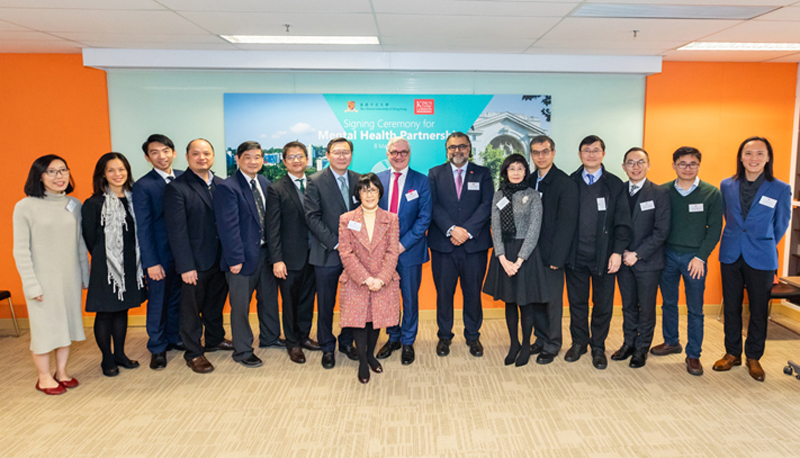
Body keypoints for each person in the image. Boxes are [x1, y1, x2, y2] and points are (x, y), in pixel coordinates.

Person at [714, 137, 791, 382]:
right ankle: (732, 353)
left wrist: (764, 241)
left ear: (768, 158)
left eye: (760, 153)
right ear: (741, 157)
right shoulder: (727, 184)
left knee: (758, 309)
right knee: (732, 307)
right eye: (748, 153)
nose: (754, 158)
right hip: (731, 253)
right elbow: (727, 216)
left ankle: (754, 356)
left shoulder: (780, 188)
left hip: (762, 255)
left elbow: (781, 223)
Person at [13, 155, 89, 395]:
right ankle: (44, 377)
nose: (60, 176)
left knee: (66, 326)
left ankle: (62, 372)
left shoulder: (74, 204)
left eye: (63, 170)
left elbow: (79, 243)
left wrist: (84, 274)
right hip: (42, 280)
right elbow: (20, 250)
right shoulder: (25, 206)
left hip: (69, 277)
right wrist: (31, 285)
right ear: (39, 176)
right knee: (45, 329)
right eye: (52, 172)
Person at [652, 147, 722, 376]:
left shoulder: (711, 193)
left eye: (692, 164)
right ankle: (671, 341)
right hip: (667, 256)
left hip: (695, 259)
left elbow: (714, 230)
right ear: (674, 165)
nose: (687, 168)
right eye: (682, 163)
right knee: (668, 303)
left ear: (699, 166)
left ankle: (693, 355)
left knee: (695, 309)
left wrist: (701, 257)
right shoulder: (662, 191)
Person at [164, 138, 232, 374]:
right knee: (191, 310)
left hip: (220, 258)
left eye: (206, 153)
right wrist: (185, 266)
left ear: (213, 156)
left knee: (215, 304)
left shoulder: (223, 185)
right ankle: (194, 352)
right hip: (194, 262)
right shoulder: (177, 188)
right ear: (187, 157)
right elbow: (177, 231)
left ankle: (214, 339)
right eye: (196, 154)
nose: (202, 157)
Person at [565, 135, 632, 370]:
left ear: (603, 154)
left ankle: (598, 346)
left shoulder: (614, 184)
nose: (591, 154)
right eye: (586, 150)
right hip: (576, 255)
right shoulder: (570, 182)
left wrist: (617, 252)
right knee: (577, 303)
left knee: (602, 304)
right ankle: (579, 343)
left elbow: (623, 223)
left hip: (605, 257)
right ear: (580, 154)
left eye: (596, 150)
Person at [214, 141, 283, 368]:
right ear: (238, 159)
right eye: (248, 157)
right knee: (241, 306)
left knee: (269, 299)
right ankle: (242, 350)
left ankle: (270, 337)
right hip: (241, 258)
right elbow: (228, 227)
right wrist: (235, 258)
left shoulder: (264, 182)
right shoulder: (228, 186)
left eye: (258, 157)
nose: (253, 161)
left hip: (265, 254)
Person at [428, 132, 494, 358]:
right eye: (453, 147)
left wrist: (466, 231)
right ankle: (444, 336)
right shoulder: (435, 173)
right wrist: (451, 229)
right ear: (447, 150)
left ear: (469, 149)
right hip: (443, 246)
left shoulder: (483, 173)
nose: (457, 151)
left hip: (474, 246)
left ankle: (473, 336)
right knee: (444, 294)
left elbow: (487, 205)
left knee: (473, 293)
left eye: (462, 147)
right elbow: (433, 206)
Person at [82, 152, 146, 377]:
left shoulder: (133, 199)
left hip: (130, 265)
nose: (117, 174)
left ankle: (120, 353)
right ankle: (106, 358)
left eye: (121, 169)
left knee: (122, 310)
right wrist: (109, 258)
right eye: (111, 170)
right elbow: (90, 238)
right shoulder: (94, 203)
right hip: (106, 267)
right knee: (105, 312)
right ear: (102, 174)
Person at [483, 154, 549, 367]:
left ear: (525, 172)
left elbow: (534, 229)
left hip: (526, 254)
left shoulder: (533, 195)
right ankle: (514, 344)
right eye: (512, 168)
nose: (516, 172)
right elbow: (496, 227)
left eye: (520, 168)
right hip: (504, 254)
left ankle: (527, 345)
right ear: (505, 171)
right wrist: (502, 258)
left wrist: (519, 261)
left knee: (525, 303)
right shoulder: (499, 194)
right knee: (510, 301)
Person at [337, 173, 400, 383]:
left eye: (372, 189)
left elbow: (392, 252)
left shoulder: (391, 219)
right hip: (357, 280)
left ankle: (371, 354)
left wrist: (381, 279)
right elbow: (345, 253)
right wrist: (365, 278)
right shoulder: (347, 219)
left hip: (383, 279)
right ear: (358, 194)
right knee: (359, 322)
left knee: (376, 320)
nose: (369, 194)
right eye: (364, 190)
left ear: (380, 192)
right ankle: (363, 361)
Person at [305, 137, 361, 369]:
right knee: (326, 303)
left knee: (353, 301)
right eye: (336, 152)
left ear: (351, 155)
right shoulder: (315, 181)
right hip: (328, 252)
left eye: (346, 152)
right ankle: (327, 346)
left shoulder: (360, 179)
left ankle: (346, 342)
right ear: (327, 155)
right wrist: (338, 244)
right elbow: (312, 217)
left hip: (357, 255)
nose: (342, 156)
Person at [375, 137, 432, 365]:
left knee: (409, 298)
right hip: (381, 253)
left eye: (403, 152)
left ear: (410, 154)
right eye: (394, 152)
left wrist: (402, 244)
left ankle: (408, 341)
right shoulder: (377, 180)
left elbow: (424, 218)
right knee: (388, 298)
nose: (399, 156)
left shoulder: (422, 181)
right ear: (387, 154)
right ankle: (393, 338)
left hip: (409, 251)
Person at [612, 147, 670, 368]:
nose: (635, 167)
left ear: (648, 165)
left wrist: (637, 254)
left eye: (640, 162)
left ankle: (642, 348)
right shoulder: (618, 192)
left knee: (646, 307)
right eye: (630, 162)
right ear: (624, 166)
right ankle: (629, 343)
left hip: (648, 261)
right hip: (623, 261)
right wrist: (620, 253)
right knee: (628, 306)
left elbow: (662, 231)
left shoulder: (659, 193)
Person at [132, 134, 184, 370]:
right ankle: (157, 347)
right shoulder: (143, 185)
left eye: (165, 151)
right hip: (159, 256)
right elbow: (143, 227)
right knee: (158, 302)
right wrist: (150, 262)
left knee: (177, 299)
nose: (161, 156)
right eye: (154, 152)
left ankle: (173, 337)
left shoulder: (185, 177)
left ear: (173, 153)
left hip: (183, 254)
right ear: (147, 157)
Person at [266, 141, 321, 364]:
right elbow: (273, 227)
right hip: (289, 258)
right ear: (284, 161)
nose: (296, 160)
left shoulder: (316, 184)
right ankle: (292, 342)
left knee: (307, 300)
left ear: (307, 159)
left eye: (300, 156)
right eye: (291, 157)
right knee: (289, 302)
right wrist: (277, 259)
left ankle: (304, 336)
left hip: (315, 255)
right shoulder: (276, 188)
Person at [527, 135, 578, 365]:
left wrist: (558, 257)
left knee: (552, 301)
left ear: (553, 153)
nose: (540, 156)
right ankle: (540, 338)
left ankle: (553, 343)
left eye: (545, 151)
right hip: (530, 254)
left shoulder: (564, 183)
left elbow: (567, 225)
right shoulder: (528, 181)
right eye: (536, 152)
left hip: (552, 255)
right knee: (535, 299)